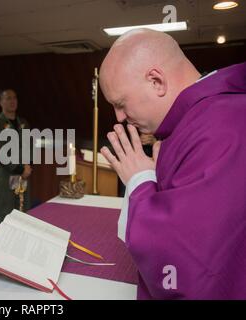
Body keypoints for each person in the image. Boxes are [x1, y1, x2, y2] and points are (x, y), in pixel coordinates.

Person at [99, 28, 246, 299]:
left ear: (156, 81)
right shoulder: (200, 117)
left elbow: (189, 268)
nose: (119, 117)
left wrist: (141, 182)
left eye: (120, 103)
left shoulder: (220, 128)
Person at [0, 89, 32, 223]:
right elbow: (0, 154)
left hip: (23, 175)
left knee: (23, 211)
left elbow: (29, 147)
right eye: (8, 98)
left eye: (14, 98)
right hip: (6, 177)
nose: (12, 101)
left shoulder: (24, 123)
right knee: (6, 215)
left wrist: (28, 166)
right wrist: (21, 169)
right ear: (1, 102)